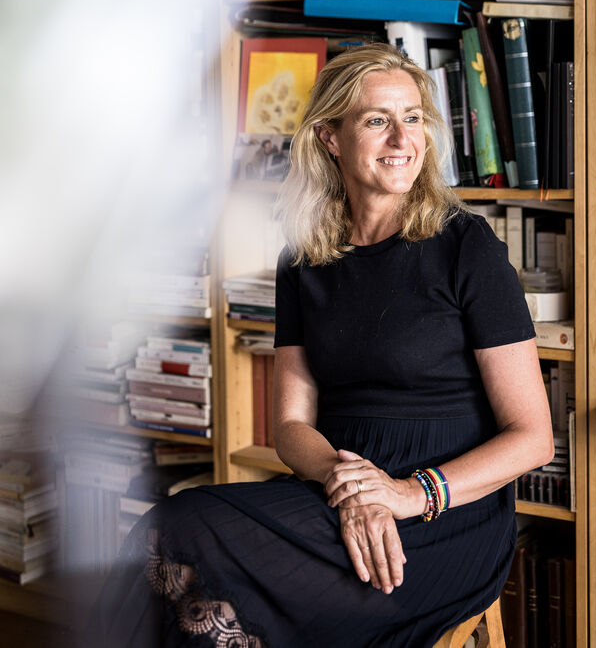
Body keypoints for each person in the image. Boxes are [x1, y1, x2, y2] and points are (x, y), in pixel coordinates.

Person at [89, 43, 554, 648]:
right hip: (333, 492)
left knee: (195, 557)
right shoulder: (303, 257)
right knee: (167, 537)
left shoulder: (469, 247)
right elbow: (290, 425)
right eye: (377, 120)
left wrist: (405, 494)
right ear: (330, 137)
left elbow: (532, 438)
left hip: (444, 514)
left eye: (413, 118)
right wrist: (351, 485)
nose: (402, 139)